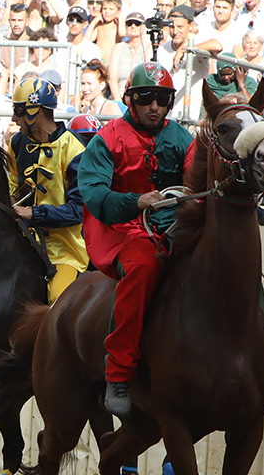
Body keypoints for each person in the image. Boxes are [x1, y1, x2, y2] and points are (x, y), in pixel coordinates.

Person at [77, 62, 193, 416]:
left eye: (162, 98)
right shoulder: (108, 137)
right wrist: (134, 202)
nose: (154, 106)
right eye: (146, 98)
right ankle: (119, 374)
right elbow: (93, 193)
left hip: (173, 225)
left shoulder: (181, 138)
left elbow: (199, 174)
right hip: (122, 229)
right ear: (130, 99)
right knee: (143, 266)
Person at [5, 77, 88, 303]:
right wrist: (12, 200)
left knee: (57, 300)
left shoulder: (75, 149)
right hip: (21, 239)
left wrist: (33, 214)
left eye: (18, 110)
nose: (14, 118)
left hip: (65, 250)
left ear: (36, 112)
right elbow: (12, 185)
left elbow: (78, 210)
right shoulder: (16, 143)